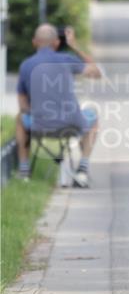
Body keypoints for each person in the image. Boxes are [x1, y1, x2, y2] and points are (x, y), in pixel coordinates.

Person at [15, 23, 102, 187]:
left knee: (20, 119)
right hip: (72, 125)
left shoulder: (26, 65)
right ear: (56, 42)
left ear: (34, 42)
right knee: (93, 116)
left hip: (39, 127)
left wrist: (33, 113)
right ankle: (82, 169)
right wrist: (74, 46)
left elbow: (22, 102)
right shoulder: (66, 59)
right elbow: (96, 73)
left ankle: (24, 171)